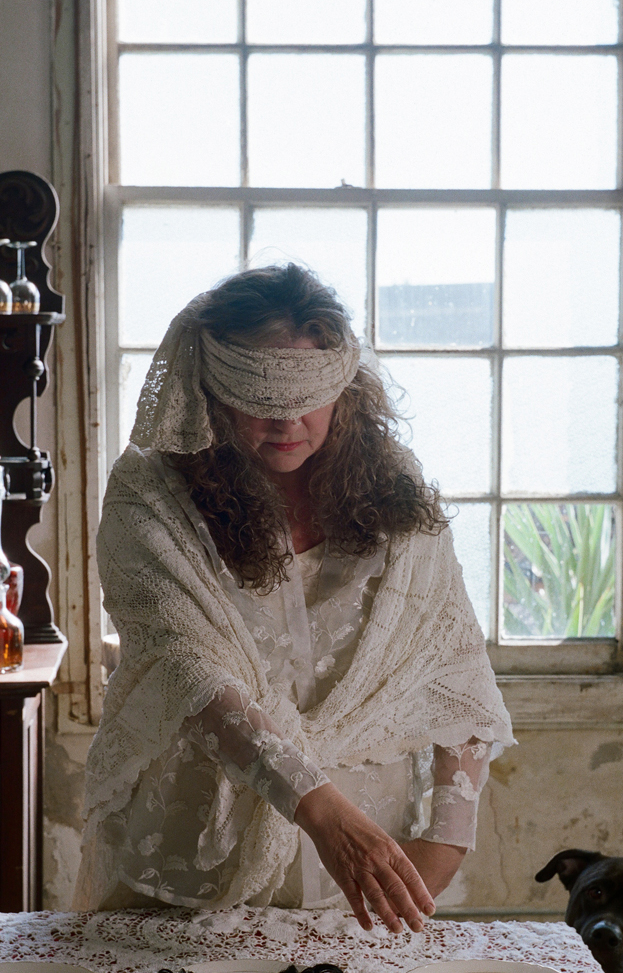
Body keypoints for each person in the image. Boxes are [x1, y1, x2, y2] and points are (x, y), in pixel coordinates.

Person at [75, 264, 513, 934]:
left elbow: (451, 664)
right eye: (257, 394)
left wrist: (446, 841)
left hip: (369, 872)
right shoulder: (150, 496)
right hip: (191, 869)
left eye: (308, 394)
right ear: (211, 386)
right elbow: (188, 671)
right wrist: (324, 813)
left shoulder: (392, 486)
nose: (286, 418)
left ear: (344, 386)